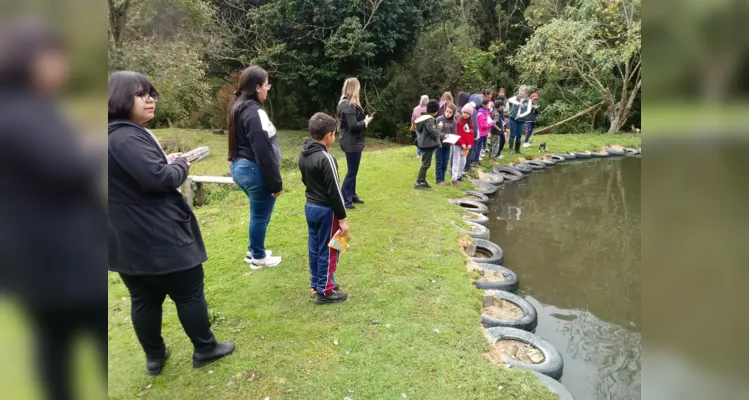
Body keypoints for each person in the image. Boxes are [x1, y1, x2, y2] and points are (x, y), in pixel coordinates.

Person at [0, 21, 106, 399]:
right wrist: (96, 148)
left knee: (52, 338)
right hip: (60, 253)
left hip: (29, 254)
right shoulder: (22, 111)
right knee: (84, 331)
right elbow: (67, 168)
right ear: (32, 60)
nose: (62, 66)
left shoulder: (22, 107)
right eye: (55, 57)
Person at [108, 71, 235, 376]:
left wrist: (166, 161)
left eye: (152, 94)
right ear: (119, 98)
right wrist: (179, 164)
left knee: (144, 298)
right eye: (141, 94)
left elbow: (137, 176)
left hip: (125, 239)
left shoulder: (108, 135)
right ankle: (205, 348)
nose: (150, 100)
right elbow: (158, 179)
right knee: (189, 292)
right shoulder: (125, 136)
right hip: (159, 235)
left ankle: (155, 357)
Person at [228, 66, 283, 268]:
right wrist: (275, 182)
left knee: (258, 213)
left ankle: (254, 250)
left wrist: (231, 158)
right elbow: (262, 149)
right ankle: (258, 256)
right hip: (253, 170)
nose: (268, 89)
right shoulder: (253, 111)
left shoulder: (238, 105)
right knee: (260, 215)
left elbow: (235, 138)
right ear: (258, 86)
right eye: (267, 85)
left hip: (240, 167)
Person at [298, 113, 350, 304]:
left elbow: (306, 181)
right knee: (330, 249)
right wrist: (342, 219)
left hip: (310, 207)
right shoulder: (326, 159)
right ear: (328, 135)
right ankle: (325, 291)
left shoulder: (304, 155)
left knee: (315, 247)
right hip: (326, 211)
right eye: (334, 133)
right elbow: (335, 191)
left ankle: (318, 283)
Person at [337, 77, 374, 209]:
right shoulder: (348, 105)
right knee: (352, 171)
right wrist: (366, 122)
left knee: (353, 170)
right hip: (351, 142)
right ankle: (345, 199)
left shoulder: (345, 103)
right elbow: (353, 126)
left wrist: (363, 120)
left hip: (351, 140)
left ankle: (352, 195)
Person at [413, 99, 442, 190]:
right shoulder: (429, 120)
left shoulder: (422, 117)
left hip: (422, 144)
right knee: (426, 164)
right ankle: (419, 182)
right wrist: (440, 127)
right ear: (436, 111)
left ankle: (423, 180)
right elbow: (435, 133)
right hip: (427, 145)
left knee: (425, 163)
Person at [451, 103, 475, 186]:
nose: (466, 114)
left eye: (468, 113)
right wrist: (462, 144)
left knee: (463, 161)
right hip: (458, 144)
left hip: (466, 147)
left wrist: (469, 144)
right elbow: (458, 133)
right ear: (462, 112)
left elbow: (471, 134)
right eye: (464, 112)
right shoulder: (458, 121)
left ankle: (459, 175)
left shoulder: (471, 123)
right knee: (456, 161)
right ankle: (454, 178)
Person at [507, 85, 533, 154]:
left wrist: (520, 115)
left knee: (519, 135)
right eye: (520, 90)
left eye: (522, 91)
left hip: (522, 120)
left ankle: (517, 149)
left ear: (525, 92)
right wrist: (518, 103)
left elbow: (528, 111)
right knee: (512, 134)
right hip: (513, 118)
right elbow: (509, 99)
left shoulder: (528, 100)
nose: (520, 92)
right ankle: (510, 149)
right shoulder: (516, 98)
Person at [435, 102, 457, 185]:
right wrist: (444, 135)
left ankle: (443, 179)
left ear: (453, 113)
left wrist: (452, 137)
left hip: (448, 145)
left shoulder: (454, 122)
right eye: (447, 111)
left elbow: (454, 133)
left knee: (445, 162)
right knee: (439, 162)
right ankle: (438, 180)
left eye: (450, 112)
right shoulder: (439, 119)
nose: (448, 114)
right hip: (439, 144)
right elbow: (436, 132)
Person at [466, 92, 484, 169]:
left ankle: (466, 166)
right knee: (469, 152)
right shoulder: (474, 111)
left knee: (466, 152)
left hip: (467, 135)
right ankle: (467, 167)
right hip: (471, 136)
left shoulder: (466, 107)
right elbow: (474, 124)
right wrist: (475, 135)